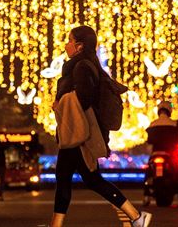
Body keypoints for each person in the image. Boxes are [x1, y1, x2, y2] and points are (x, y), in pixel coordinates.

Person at [51, 26, 151, 227]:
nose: (66, 45)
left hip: (80, 134)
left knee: (84, 178)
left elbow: (85, 99)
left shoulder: (82, 67)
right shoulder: (82, 66)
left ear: (79, 46)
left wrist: (60, 102)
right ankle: (136, 217)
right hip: (77, 132)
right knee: (78, 177)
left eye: (69, 41)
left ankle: (137, 217)